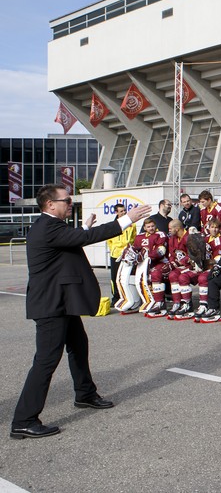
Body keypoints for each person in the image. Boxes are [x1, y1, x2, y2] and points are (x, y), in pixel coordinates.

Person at [11, 185, 150, 439]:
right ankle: (24, 419)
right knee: (46, 361)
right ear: (50, 204)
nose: (70, 203)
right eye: (66, 200)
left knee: (78, 344)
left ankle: (85, 393)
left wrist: (84, 227)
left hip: (62, 302)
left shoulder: (51, 226)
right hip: (52, 305)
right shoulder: (49, 227)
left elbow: (74, 237)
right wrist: (127, 219)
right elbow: (83, 239)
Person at [107, 204, 136, 306]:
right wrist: (114, 250)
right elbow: (109, 240)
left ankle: (128, 297)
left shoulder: (131, 224)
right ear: (116, 212)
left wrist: (130, 248)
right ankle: (116, 297)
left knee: (127, 276)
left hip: (127, 254)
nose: (124, 212)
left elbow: (134, 238)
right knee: (115, 277)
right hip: (115, 254)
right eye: (121, 211)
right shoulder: (112, 225)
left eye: (124, 210)